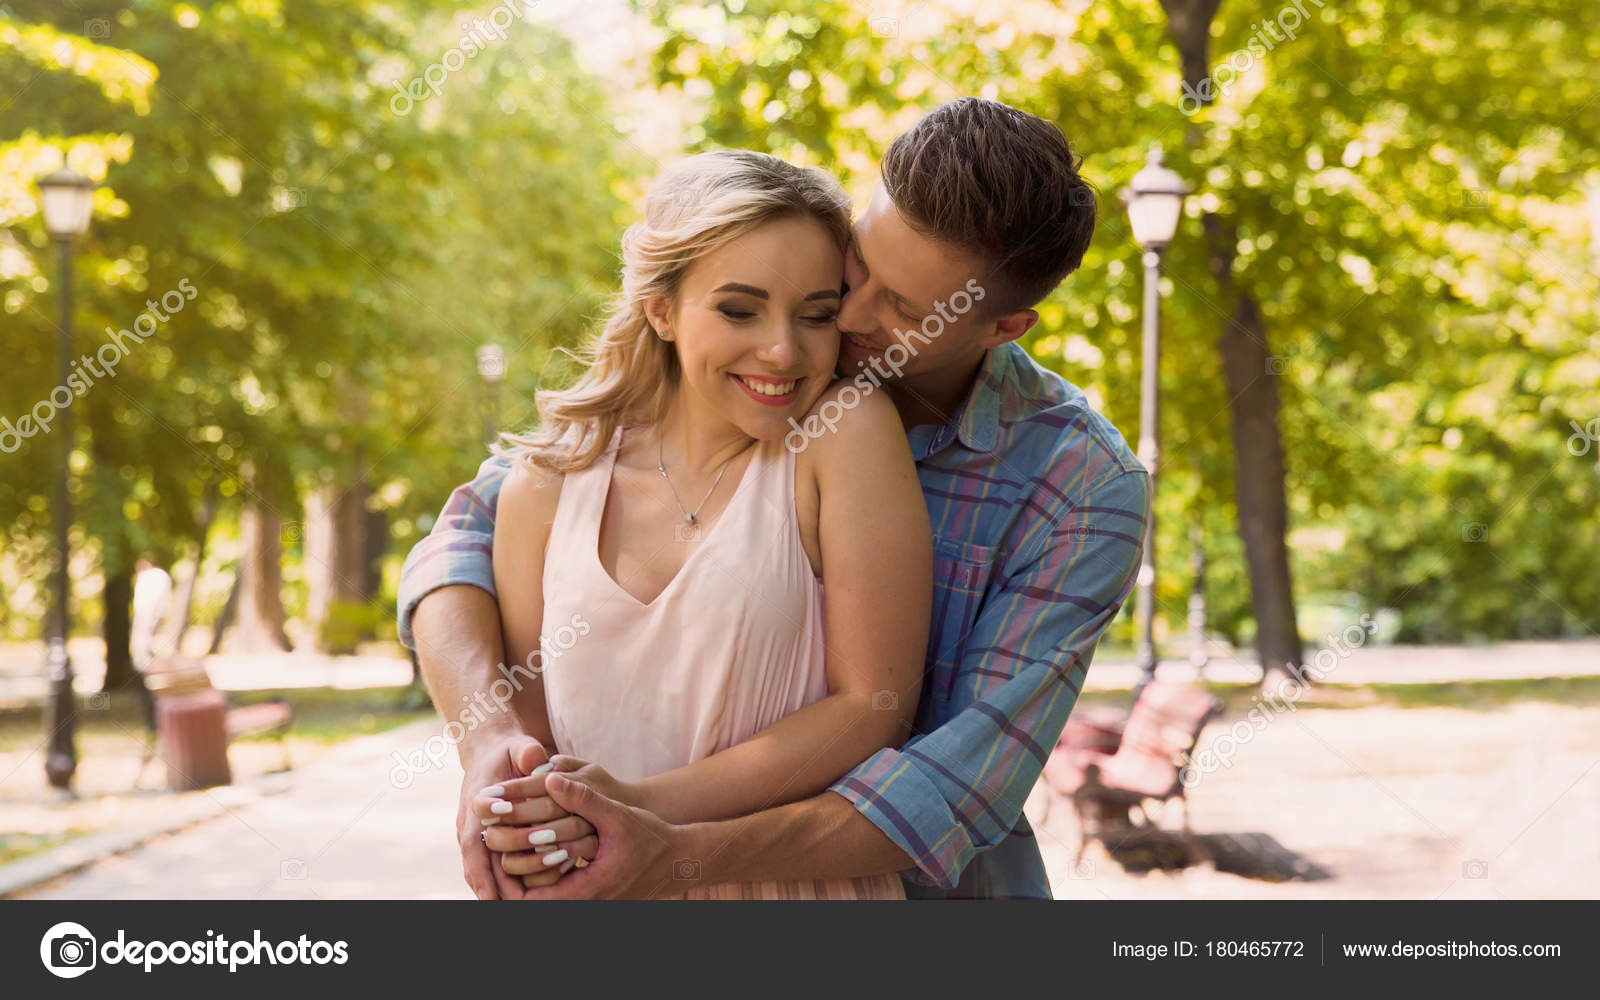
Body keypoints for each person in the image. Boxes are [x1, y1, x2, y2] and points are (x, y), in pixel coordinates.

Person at [400, 98, 1150, 899]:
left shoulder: (1078, 486)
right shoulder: (686, 409)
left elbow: (952, 784)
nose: (846, 321)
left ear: (1004, 328)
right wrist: (495, 747)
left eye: (902, 309)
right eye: (855, 273)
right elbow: (466, 541)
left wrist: (659, 841)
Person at [437, 150, 931, 898]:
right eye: (739, 309)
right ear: (661, 309)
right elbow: (527, 741)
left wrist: (638, 812)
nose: (783, 350)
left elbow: (873, 709)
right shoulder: (546, 483)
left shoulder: (844, 430)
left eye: (817, 315)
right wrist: (522, 820)